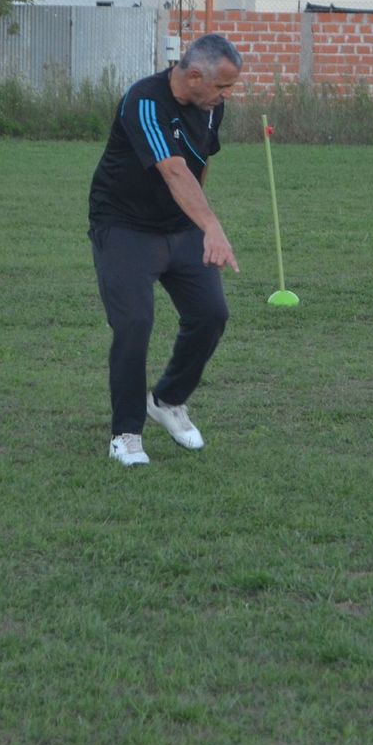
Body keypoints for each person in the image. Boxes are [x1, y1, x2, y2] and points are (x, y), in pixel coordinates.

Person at [88, 34, 243, 467]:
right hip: (123, 226)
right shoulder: (144, 101)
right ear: (194, 76)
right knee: (134, 322)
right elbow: (174, 171)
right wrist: (212, 225)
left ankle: (169, 400)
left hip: (179, 227)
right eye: (222, 87)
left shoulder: (212, 107)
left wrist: (197, 223)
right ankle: (126, 433)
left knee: (211, 314)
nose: (227, 96)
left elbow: (200, 161)